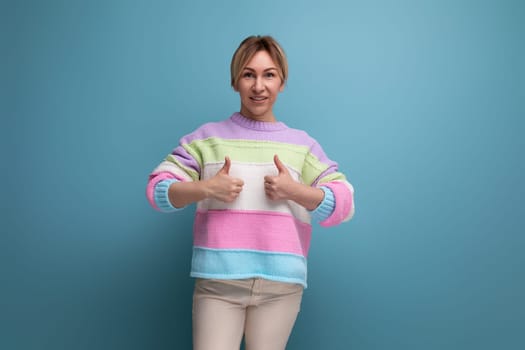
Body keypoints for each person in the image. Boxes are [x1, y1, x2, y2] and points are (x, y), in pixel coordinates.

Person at [146, 35, 355, 350]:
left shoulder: (303, 146)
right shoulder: (205, 140)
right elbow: (158, 190)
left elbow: (345, 203)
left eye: (269, 74)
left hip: (281, 288)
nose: (259, 86)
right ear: (235, 81)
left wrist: (295, 191)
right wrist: (206, 187)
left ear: (282, 82)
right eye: (248, 74)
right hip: (219, 286)